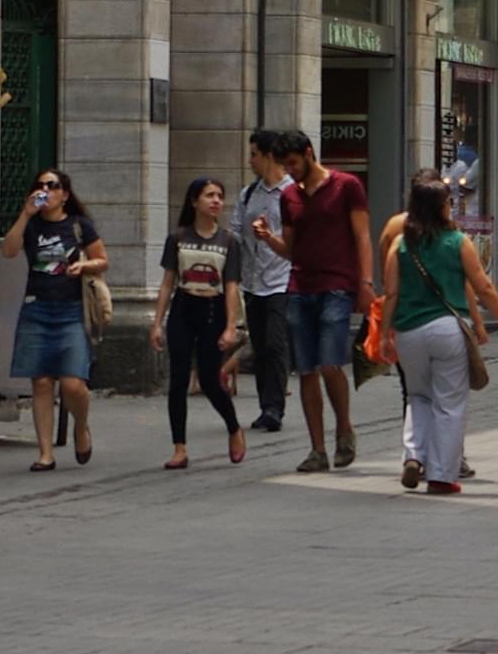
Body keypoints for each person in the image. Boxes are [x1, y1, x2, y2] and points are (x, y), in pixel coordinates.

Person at [383, 173, 498, 494]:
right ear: (441, 207)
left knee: (417, 395)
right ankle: (443, 474)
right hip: (447, 328)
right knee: (449, 402)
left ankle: (414, 454)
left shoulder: (400, 245)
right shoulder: (459, 242)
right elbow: (483, 287)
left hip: (408, 330)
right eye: (448, 202)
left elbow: (389, 294)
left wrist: (383, 335)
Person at [250, 128, 376, 474]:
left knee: (329, 363)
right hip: (300, 287)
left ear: (308, 153)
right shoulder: (289, 196)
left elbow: (362, 236)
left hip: (337, 285)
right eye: (284, 166)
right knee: (305, 369)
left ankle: (344, 428)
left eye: (292, 163)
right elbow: (290, 250)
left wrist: (365, 282)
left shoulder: (346, 186)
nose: (289, 171)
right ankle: (317, 449)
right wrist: (267, 238)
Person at [1, 167, 104, 471]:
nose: (46, 190)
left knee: (73, 384)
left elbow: (103, 260)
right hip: (37, 307)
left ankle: (81, 426)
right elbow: (8, 250)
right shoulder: (31, 226)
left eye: (53, 185)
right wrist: (24, 214)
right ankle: (45, 453)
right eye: (41, 185)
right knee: (42, 382)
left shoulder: (79, 225)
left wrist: (83, 267)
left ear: (64, 195)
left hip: (71, 309)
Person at [152, 175, 245, 469]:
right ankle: (179, 447)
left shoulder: (229, 241)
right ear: (194, 201)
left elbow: (231, 286)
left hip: (212, 310)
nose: (216, 200)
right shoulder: (178, 238)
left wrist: (231, 327)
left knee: (209, 379)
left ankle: (233, 427)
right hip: (183, 308)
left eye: (219, 195)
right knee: (178, 380)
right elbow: (168, 283)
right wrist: (157, 323)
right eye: (209, 195)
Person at [232, 134, 294, 434]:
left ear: (269, 156)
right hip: (252, 281)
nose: (249, 160)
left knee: (275, 343)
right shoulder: (248, 195)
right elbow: (235, 234)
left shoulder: (292, 193)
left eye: (254, 154)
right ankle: (264, 405)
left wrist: (269, 236)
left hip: (281, 280)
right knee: (260, 347)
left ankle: (274, 408)